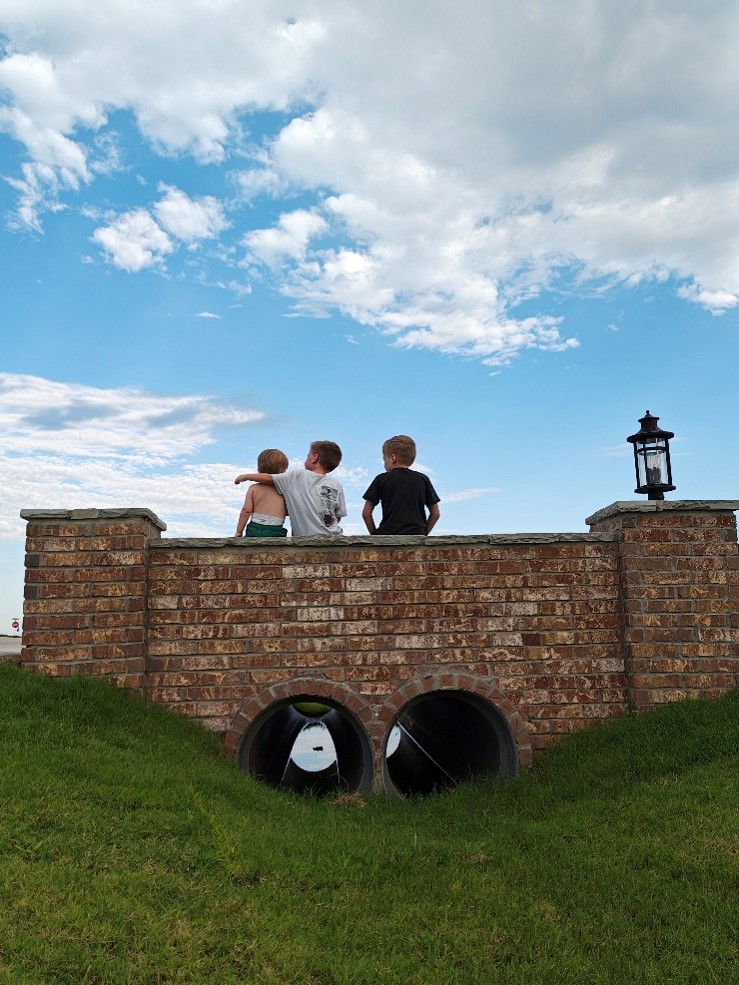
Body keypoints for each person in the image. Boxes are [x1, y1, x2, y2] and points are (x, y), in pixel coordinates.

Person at [235, 440, 346, 536]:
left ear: (314, 458)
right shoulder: (336, 484)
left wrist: (245, 476)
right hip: (334, 535)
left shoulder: (298, 476)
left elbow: (269, 478)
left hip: (304, 538)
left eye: (308, 455)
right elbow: (338, 515)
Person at [362, 434, 440, 535]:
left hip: (388, 535)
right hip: (416, 535)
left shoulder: (381, 479)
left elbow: (366, 513)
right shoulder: (423, 479)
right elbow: (435, 513)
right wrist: (423, 534)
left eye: (384, 458)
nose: (384, 462)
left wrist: (375, 536)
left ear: (392, 458)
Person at [235, 448, 289, 537]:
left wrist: (239, 531)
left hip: (255, 528)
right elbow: (288, 511)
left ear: (259, 468)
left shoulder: (254, 488)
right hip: (276, 530)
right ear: (283, 470)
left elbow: (246, 511)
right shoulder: (284, 489)